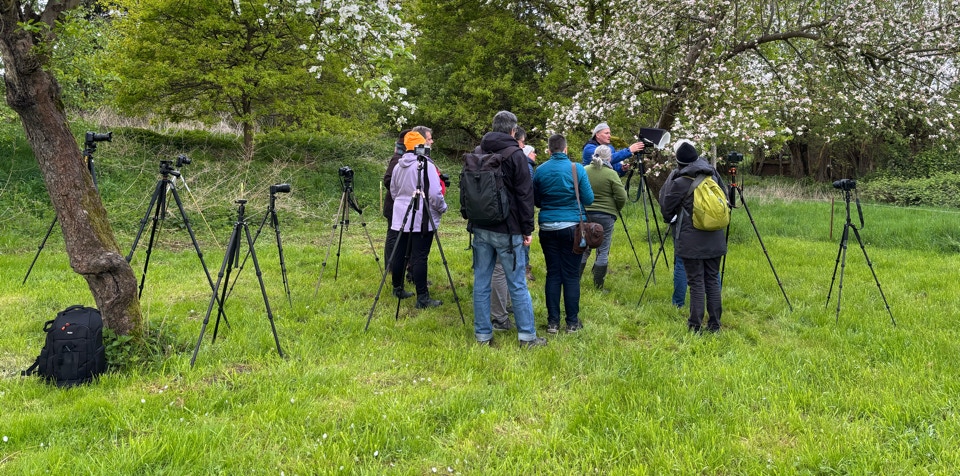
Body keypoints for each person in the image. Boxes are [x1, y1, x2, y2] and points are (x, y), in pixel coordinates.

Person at [469, 111, 546, 348]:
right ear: (513, 131)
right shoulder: (515, 155)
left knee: (481, 282)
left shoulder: (478, 152)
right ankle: (527, 337)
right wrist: (527, 230)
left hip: (480, 227)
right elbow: (525, 195)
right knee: (517, 283)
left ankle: (483, 336)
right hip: (508, 228)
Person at [659, 139, 727, 332]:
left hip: (690, 240)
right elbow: (727, 200)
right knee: (712, 279)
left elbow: (666, 209)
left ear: (679, 162)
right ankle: (714, 324)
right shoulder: (712, 176)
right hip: (715, 238)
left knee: (696, 282)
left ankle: (694, 325)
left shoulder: (680, 181)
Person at [533, 133, 594, 334]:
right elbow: (588, 198)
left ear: (549, 150)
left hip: (548, 227)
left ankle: (552, 323)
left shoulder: (540, 171)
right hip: (572, 228)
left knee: (553, 273)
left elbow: (536, 200)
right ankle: (572, 322)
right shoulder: (577, 169)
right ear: (566, 149)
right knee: (570, 275)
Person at [389, 131, 447, 309]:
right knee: (420, 256)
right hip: (420, 217)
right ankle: (423, 297)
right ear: (420, 146)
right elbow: (434, 193)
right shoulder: (425, 164)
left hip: (400, 216)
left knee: (400, 253)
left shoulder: (399, 165)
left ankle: (397, 288)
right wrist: (442, 208)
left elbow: (393, 191)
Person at [580, 145, 628, 290]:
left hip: (586, 213)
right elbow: (622, 196)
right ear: (610, 158)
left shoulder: (584, 170)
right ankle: (598, 285)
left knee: (584, 246)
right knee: (603, 248)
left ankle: (575, 280)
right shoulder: (611, 173)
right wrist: (615, 209)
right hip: (606, 215)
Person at [382, 129, 413, 298]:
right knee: (393, 237)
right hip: (394, 206)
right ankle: (392, 267)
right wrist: (401, 191)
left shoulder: (400, 156)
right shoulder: (397, 159)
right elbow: (388, 179)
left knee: (396, 238)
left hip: (397, 205)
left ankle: (396, 267)